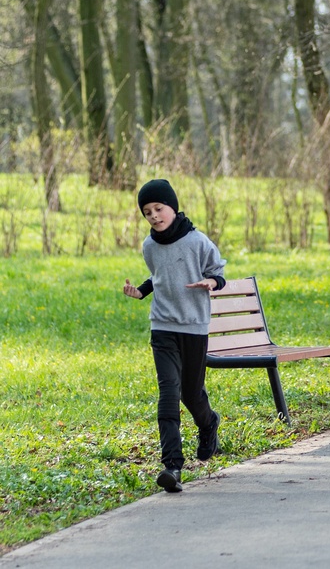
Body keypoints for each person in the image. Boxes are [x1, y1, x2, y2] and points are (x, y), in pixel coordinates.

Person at [122, 179, 227, 493]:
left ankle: (208, 424)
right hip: (163, 327)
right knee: (169, 391)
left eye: (158, 208)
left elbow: (218, 272)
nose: (154, 216)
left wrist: (212, 282)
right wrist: (141, 291)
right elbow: (159, 276)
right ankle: (172, 466)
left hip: (193, 327)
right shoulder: (149, 246)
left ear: (173, 207)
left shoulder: (197, 242)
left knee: (192, 395)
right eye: (147, 212)